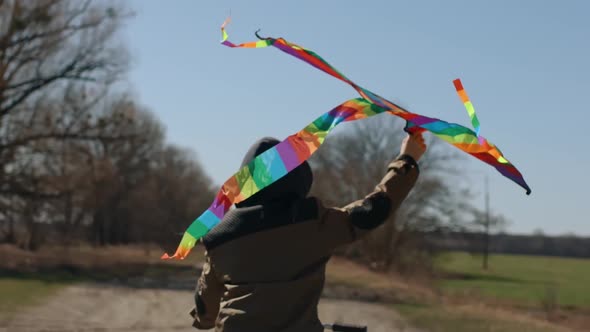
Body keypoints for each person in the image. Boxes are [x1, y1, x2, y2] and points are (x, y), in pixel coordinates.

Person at [190, 133, 427, 332]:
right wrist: (407, 159)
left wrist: (203, 320)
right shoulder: (313, 223)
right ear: (298, 179)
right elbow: (373, 209)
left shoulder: (221, 238)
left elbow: (205, 309)